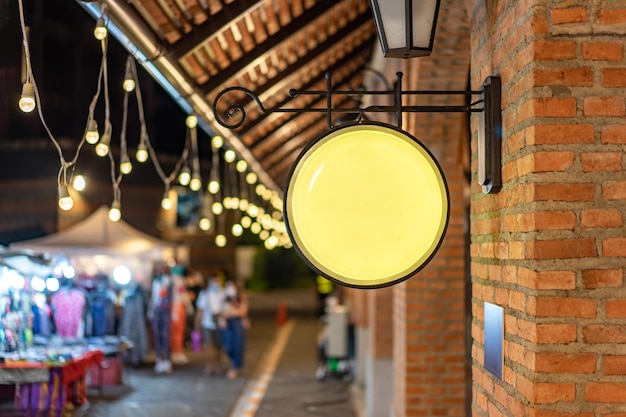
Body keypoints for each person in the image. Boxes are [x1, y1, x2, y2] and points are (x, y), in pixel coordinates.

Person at [194, 274, 226, 375]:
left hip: (217, 324)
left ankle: (214, 366)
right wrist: (197, 326)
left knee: (216, 346)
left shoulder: (223, 293)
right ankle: (211, 366)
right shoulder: (206, 294)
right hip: (210, 324)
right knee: (211, 346)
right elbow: (200, 311)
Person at [221, 280, 249, 379]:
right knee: (227, 346)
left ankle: (234, 367)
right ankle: (232, 363)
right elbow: (222, 312)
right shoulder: (224, 298)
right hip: (228, 324)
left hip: (237, 323)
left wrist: (233, 312)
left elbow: (242, 312)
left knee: (237, 346)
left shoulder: (241, 298)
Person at [148, 268, 173, 374]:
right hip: (156, 311)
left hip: (165, 312)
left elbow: (169, 297)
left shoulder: (168, 282)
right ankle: (159, 359)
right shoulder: (155, 283)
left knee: (165, 336)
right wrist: (150, 311)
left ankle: (167, 360)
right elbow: (154, 298)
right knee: (157, 336)